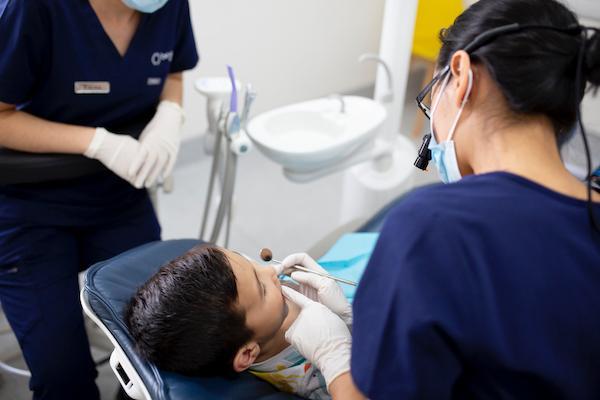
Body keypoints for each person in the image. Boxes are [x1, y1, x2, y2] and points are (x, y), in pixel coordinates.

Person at [277, 0, 600, 399]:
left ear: (461, 76)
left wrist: (336, 356)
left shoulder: (430, 226)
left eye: (431, 97)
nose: (433, 124)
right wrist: (368, 323)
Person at [0, 0, 198, 398]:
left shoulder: (169, 4)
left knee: (167, 349)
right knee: (63, 378)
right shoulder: (35, 9)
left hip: (118, 198)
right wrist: (96, 143)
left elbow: (173, 71)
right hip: (29, 210)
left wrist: (169, 115)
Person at [125, 245, 352, 400]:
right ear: (247, 354)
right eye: (262, 289)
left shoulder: (265, 311)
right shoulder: (313, 379)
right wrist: (344, 352)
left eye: (252, 263)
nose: (271, 272)